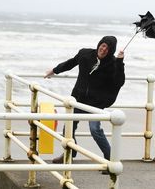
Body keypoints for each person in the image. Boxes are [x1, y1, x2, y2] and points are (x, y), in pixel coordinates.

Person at [44, 36, 125, 168]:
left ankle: (111, 160)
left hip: (95, 104)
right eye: (103, 45)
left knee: (95, 130)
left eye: (108, 48)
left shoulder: (113, 63)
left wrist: (120, 62)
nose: (104, 50)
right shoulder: (85, 54)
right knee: (68, 129)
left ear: (111, 51)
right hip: (78, 100)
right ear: (99, 44)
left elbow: (119, 81)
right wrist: (54, 71)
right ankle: (70, 154)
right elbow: (70, 63)